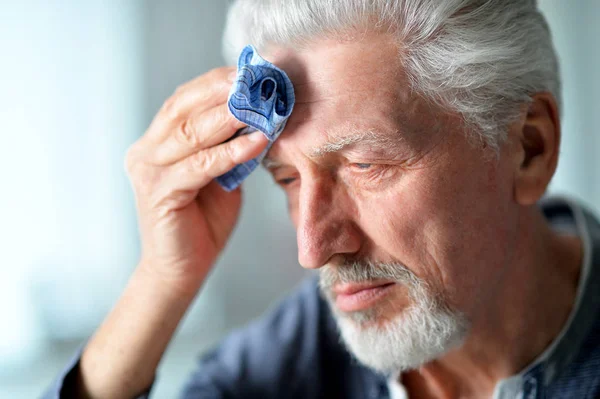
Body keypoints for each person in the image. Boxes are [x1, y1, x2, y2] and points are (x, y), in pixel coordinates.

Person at [44, 0, 600, 398]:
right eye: (286, 179)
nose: (312, 250)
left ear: (529, 147)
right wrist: (162, 280)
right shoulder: (296, 353)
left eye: (365, 165)